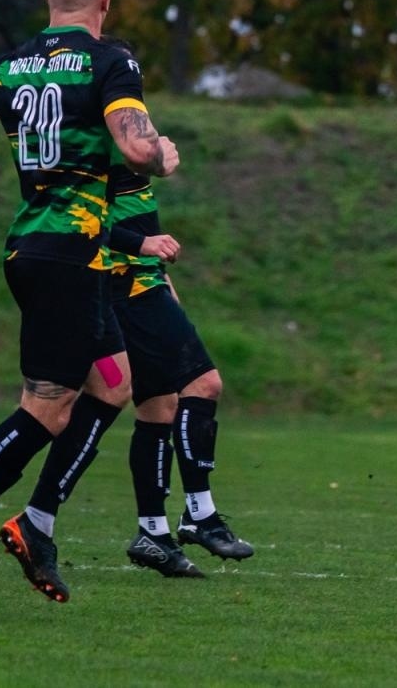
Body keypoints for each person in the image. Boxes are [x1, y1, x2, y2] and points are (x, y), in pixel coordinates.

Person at [0, 0, 179, 611]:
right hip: (68, 258)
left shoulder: (7, 67)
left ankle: (38, 522)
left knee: (113, 380)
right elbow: (134, 141)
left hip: (37, 251)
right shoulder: (111, 59)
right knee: (46, 409)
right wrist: (159, 153)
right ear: (105, 0)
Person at [105, 154, 255, 577]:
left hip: (145, 282)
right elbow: (80, 224)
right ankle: (199, 516)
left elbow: (140, 218)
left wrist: (163, 281)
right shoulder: (95, 139)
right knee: (204, 384)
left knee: (158, 409)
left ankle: (152, 533)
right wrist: (155, 154)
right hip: (127, 287)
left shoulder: (118, 130)